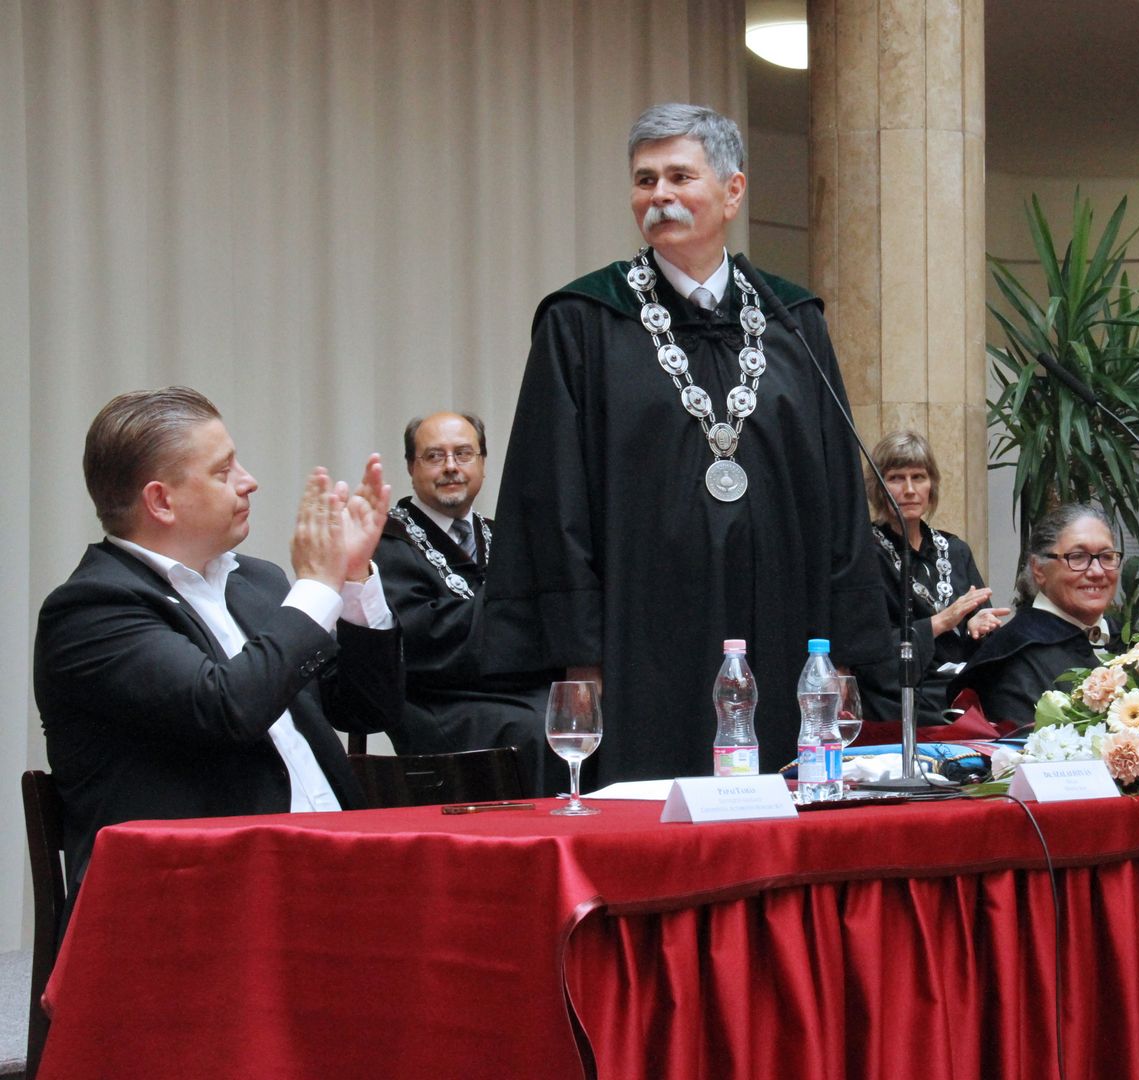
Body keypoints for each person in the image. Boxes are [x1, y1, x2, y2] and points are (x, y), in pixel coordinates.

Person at [484, 103, 890, 784]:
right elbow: (552, 496)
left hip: (782, 626)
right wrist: (580, 652)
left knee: (779, 805)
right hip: (637, 636)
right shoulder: (583, 321)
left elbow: (839, 494)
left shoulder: (794, 322)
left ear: (733, 191)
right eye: (644, 181)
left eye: (679, 177)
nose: (659, 196)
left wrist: (843, 650)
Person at [34, 387, 402, 900]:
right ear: (161, 501)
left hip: (332, 868)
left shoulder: (258, 582)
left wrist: (354, 578)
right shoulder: (91, 610)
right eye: (224, 471)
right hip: (197, 895)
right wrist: (319, 586)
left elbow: (365, 709)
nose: (249, 482)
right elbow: (227, 706)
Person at [374, 412, 555, 795]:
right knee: (537, 729)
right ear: (411, 467)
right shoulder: (385, 542)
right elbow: (421, 638)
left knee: (585, 714)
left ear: (483, 464)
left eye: (463, 454)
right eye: (434, 456)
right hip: (438, 703)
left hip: (512, 690)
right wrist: (515, 614)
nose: (451, 467)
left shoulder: (504, 537)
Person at [856, 430, 1007, 726]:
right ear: (878, 487)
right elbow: (870, 651)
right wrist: (942, 622)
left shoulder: (955, 550)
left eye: (918, 477)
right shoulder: (864, 555)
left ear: (931, 485)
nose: (909, 489)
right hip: (899, 694)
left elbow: (977, 640)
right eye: (896, 478)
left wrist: (977, 628)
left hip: (960, 686)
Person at [950, 503, 1120, 730]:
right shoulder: (1013, 658)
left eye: (1107, 557)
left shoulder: (1132, 645)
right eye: (1078, 557)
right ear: (1038, 569)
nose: (1097, 571)